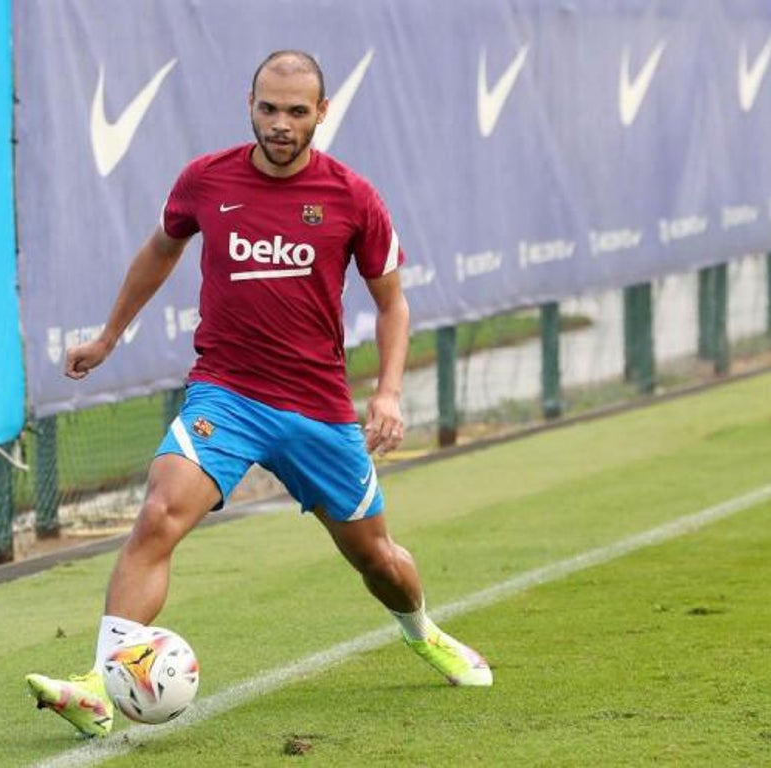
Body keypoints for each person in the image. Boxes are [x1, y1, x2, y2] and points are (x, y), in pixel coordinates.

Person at [27, 50, 491, 738]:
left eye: (296, 112)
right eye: (268, 108)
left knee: (378, 559)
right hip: (227, 397)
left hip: (318, 410)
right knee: (158, 514)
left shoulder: (353, 198)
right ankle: (98, 686)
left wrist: (389, 392)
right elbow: (160, 249)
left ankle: (421, 629)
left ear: (321, 114)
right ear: (249, 103)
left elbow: (393, 305)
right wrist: (108, 337)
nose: (280, 123)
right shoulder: (205, 180)